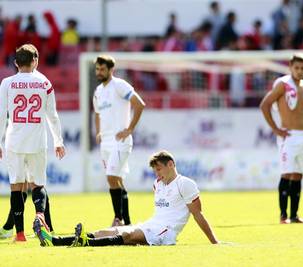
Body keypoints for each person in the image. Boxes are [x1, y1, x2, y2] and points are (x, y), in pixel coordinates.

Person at [34, 150, 219, 246]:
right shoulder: (158, 185)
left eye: (159, 169)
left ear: (171, 164)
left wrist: (215, 242)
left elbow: (198, 215)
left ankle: (84, 242)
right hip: (151, 224)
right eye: (155, 170)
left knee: (127, 235)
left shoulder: (185, 184)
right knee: (107, 231)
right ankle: (54, 240)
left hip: (166, 232)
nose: (157, 173)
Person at [0, 44, 65, 241]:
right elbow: (52, 115)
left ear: (16, 63)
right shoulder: (44, 83)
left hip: (15, 142)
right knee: (38, 184)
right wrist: (58, 141)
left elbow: (2, 115)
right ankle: (40, 217)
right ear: (35, 61)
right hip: (37, 142)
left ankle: (19, 234)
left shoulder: (7, 83)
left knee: (16, 186)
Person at [260, 53, 303, 224]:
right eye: (296, 68)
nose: (300, 71)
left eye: (302, 68)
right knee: (287, 173)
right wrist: (276, 129)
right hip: (288, 136)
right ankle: (283, 215)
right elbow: (265, 105)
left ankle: (294, 215)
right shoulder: (283, 85)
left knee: (298, 174)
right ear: (290, 67)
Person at [93, 55, 145, 227]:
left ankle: (118, 219)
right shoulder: (98, 91)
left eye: (102, 69)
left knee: (111, 177)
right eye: (97, 69)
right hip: (106, 143)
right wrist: (98, 131)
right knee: (118, 181)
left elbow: (139, 104)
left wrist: (129, 129)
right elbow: (97, 113)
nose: (99, 72)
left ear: (110, 70)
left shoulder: (119, 85)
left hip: (120, 141)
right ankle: (128, 222)